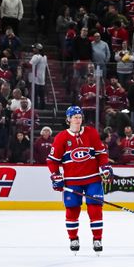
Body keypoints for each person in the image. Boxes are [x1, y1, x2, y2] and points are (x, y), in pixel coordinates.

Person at [47, 106, 112, 253]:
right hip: (72, 181)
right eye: (74, 116)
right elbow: (52, 161)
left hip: (93, 179)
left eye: (79, 116)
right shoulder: (61, 137)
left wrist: (105, 167)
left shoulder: (91, 133)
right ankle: (73, 238)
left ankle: (97, 239)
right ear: (68, 119)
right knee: (72, 210)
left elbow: (101, 154)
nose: (78, 119)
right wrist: (56, 175)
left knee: (95, 209)